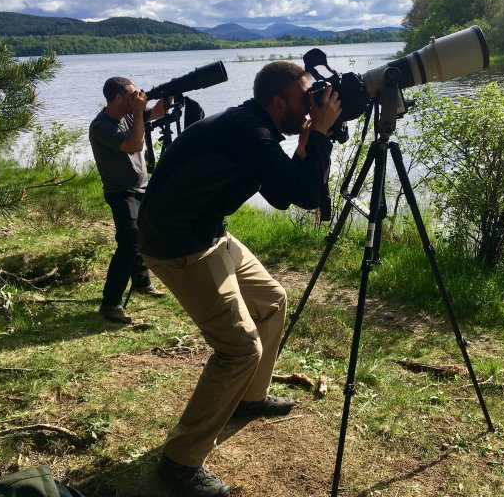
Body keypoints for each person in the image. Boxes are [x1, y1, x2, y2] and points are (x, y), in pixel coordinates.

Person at [137, 61, 341, 497]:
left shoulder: (255, 127)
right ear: (277, 102)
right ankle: (179, 461)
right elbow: (305, 196)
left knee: (272, 300)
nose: (311, 105)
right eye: (305, 99)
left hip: (206, 231)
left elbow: (281, 195)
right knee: (238, 348)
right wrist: (320, 134)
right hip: (179, 243)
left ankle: (250, 396)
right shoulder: (250, 131)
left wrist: (307, 143)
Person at [89, 77, 167, 325]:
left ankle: (142, 282)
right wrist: (138, 111)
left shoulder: (129, 115)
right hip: (120, 192)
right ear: (119, 98)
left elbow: (156, 113)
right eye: (132, 95)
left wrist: (169, 93)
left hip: (142, 188)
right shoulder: (101, 126)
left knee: (143, 234)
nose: (137, 98)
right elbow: (134, 144)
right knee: (129, 242)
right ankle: (111, 302)